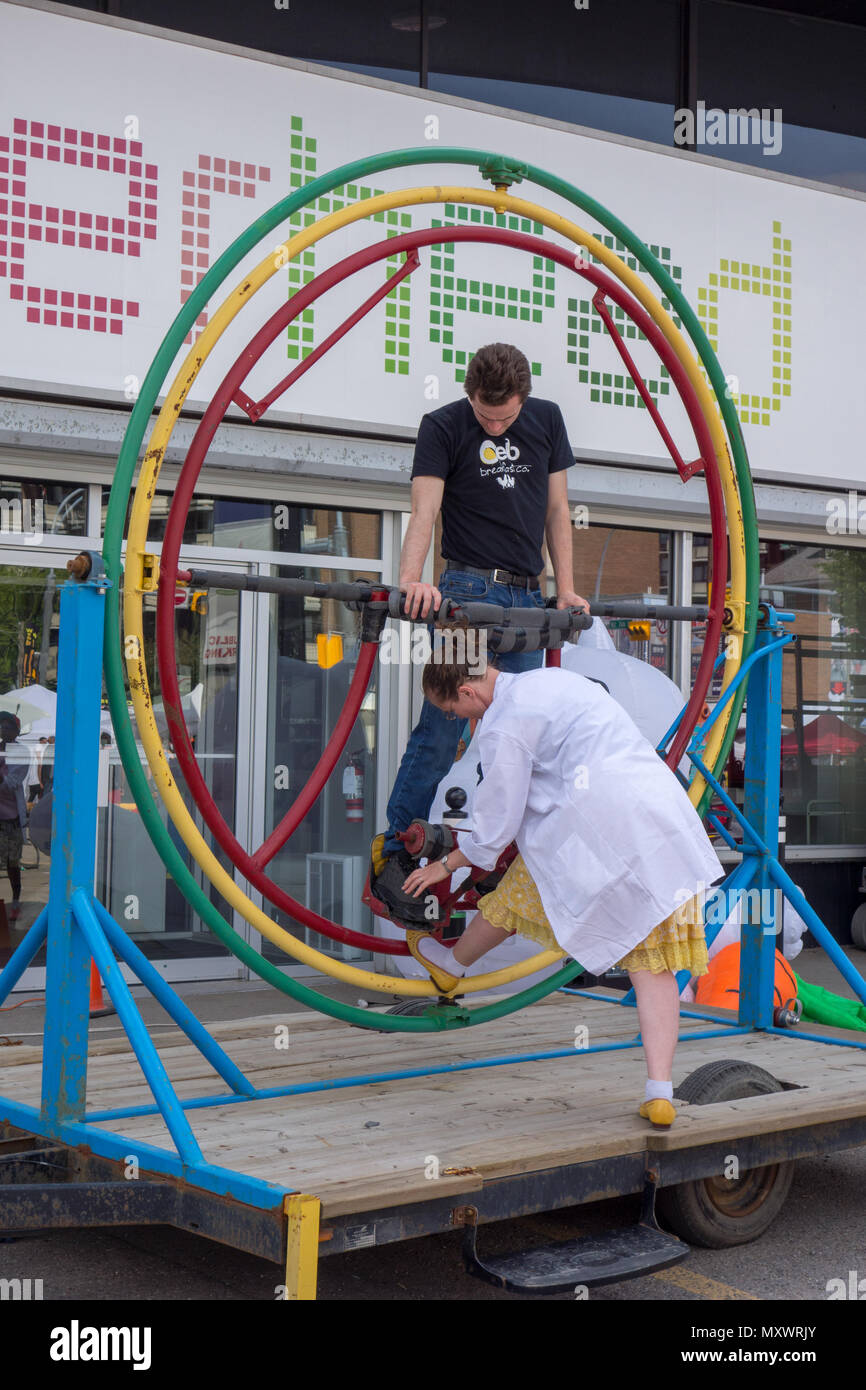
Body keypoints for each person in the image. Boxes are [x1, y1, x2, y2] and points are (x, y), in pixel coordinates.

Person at [399, 655, 723, 1128]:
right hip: (658, 819)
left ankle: (451, 967)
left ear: (468, 693)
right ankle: (659, 1091)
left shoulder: (503, 725)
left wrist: (446, 863)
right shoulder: (553, 679)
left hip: (594, 828)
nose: (456, 720)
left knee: (516, 898)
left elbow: (495, 825)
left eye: (452, 710)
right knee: (655, 968)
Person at [373, 342, 588, 923]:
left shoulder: (546, 419)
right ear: (469, 393)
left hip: (525, 599)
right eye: (485, 415)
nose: (494, 425)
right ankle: (395, 849)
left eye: (505, 417)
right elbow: (424, 511)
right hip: (468, 596)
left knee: (516, 735)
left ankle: (498, 854)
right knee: (445, 725)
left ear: (525, 398)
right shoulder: (442, 425)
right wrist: (411, 581)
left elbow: (556, 511)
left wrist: (565, 589)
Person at [0, 713, 29, 923]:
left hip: (11, 818)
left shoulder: (22, 752)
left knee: (12, 863)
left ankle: (16, 900)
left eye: (9, 727)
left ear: (17, 731)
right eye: (2, 727)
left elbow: (11, 783)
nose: (4, 731)